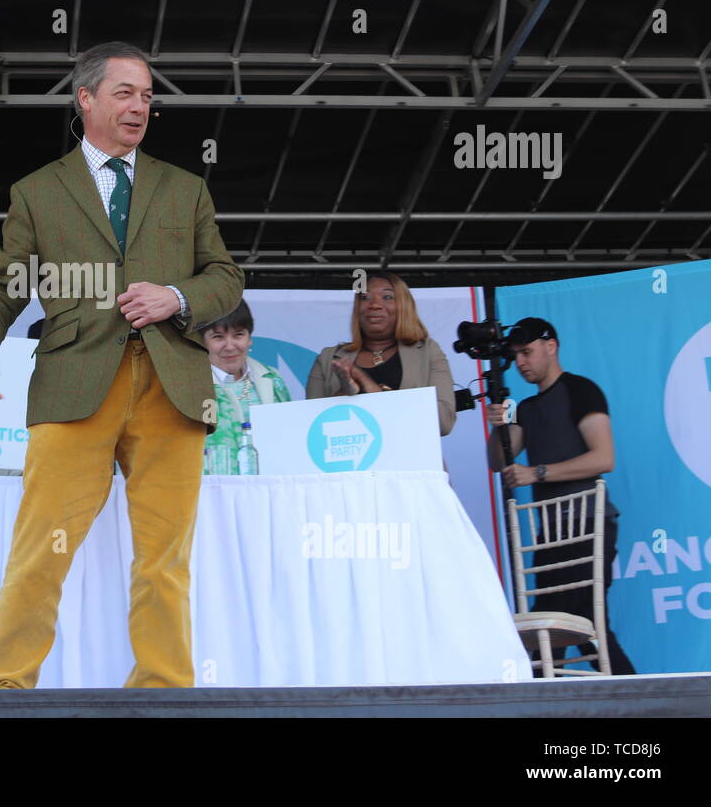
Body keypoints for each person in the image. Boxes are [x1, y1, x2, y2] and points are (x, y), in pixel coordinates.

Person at [0, 41, 243, 689]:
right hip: (72, 384)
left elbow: (226, 278)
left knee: (164, 558)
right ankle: (5, 687)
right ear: (85, 98)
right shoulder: (37, 193)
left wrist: (177, 296)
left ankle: (164, 692)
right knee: (41, 548)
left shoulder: (186, 188)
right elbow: (6, 282)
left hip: (172, 386)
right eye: (125, 92)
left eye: (147, 96)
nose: (139, 106)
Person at [485, 317, 636, 676]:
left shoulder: (581, 390)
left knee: (553, 625)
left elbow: (604, 458)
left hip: (588, 524)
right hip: (551, 533)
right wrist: (498, 427)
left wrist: (536, 472)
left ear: (550, 346)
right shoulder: (527, 408)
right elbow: (497, 461)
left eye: (526, 352)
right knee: (584, 625)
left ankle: (533, 691)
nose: (520, 362)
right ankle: (633, 696)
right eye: (515, 355)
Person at [305, 271, 456, 435]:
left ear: (403, 306)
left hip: (412, 459)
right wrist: (344, 395)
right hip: (352, 460)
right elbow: (311, 427)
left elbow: (444, 422)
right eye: (365, 298)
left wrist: (373, 390)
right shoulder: (328, 358)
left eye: (387, 297)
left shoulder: (427, 351)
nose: (374, 305)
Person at [202, 299, 291, 473]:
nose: (230, 346)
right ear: (203, 341)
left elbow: (289, 438)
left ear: (250, 338)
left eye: (238, 335)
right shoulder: (190, 385)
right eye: (218, 337)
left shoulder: (272, 379)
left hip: (267, 488)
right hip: (209, 490)